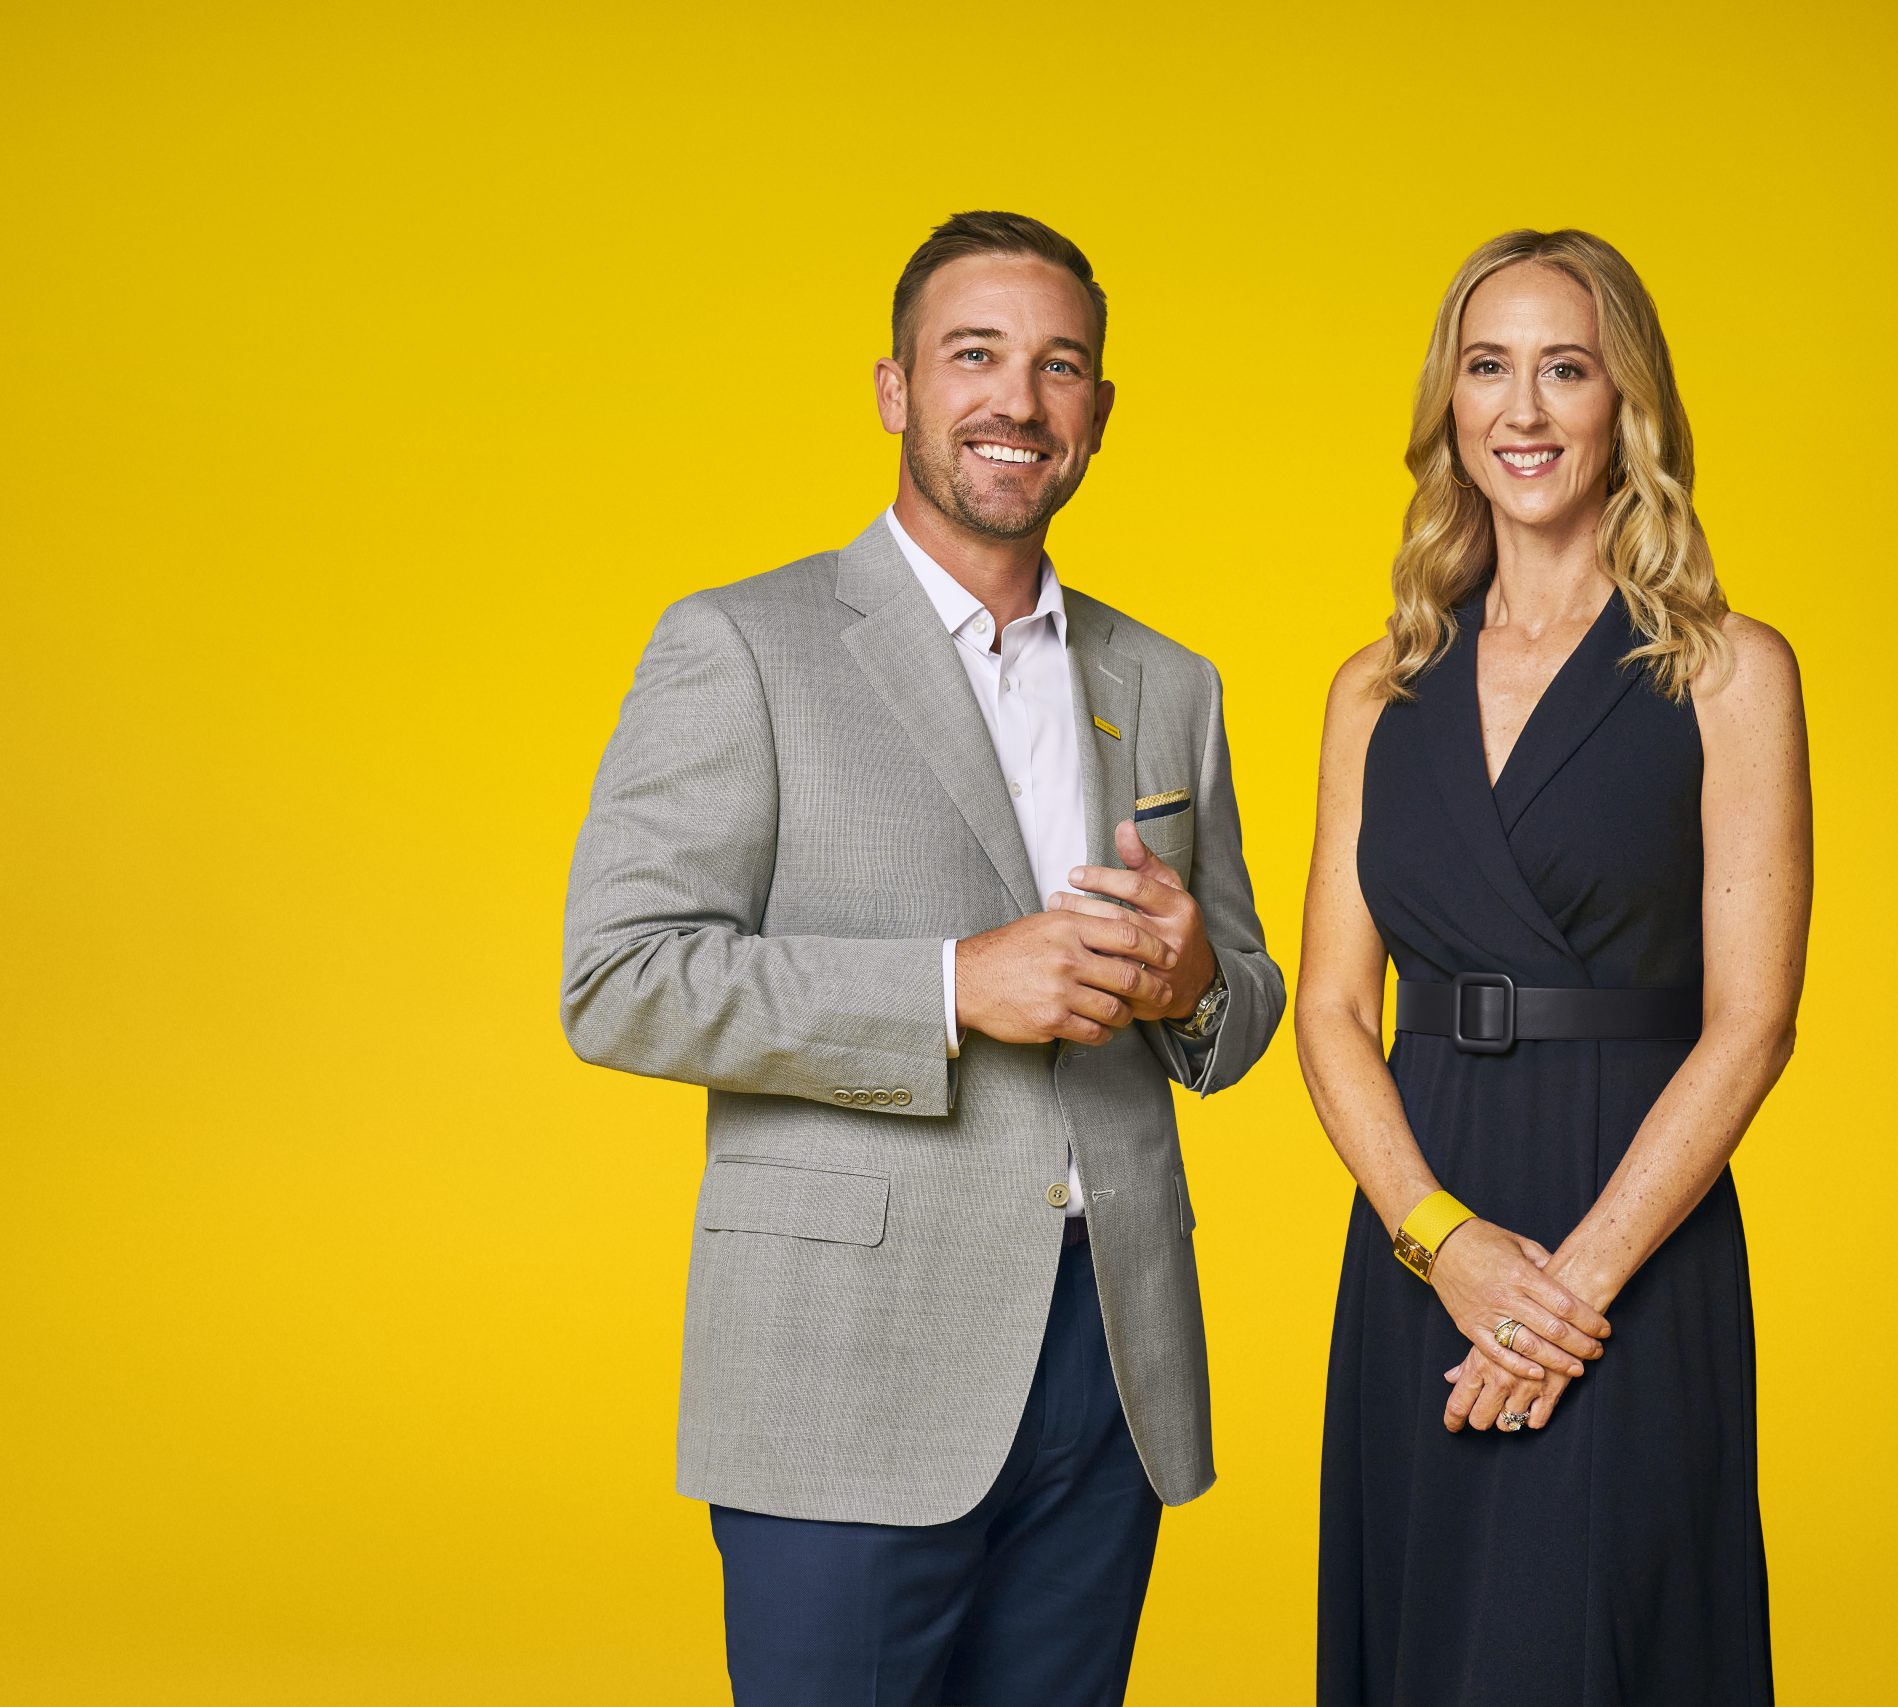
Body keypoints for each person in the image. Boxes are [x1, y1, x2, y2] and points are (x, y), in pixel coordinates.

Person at [561, 210, 1284, 1707]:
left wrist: (1191, 979)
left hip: (1112, 1356)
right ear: (895, 389)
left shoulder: (1170, 682)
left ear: (1096, 411)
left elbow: (1244, 1001)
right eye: (975, 356)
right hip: (848, 1365)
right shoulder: (742, 647)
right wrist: (952, 990)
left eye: (1059, 366)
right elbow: (618, 977)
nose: (1017, 401)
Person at [1297, 228, 1812, 1704]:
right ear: (1449, 408)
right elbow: (1333, 1010)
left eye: (1565, 370)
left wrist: (1563, 1294)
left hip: (1636, 1232)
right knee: (1428, 1640)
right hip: (1421, 1229)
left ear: (1625, 406)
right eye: (1489, 368)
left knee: (1607, 1644)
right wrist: (1442, 1244)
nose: (1524, 411)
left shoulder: (1729, 671)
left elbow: (1754, 1021)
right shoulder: (1377, 688)